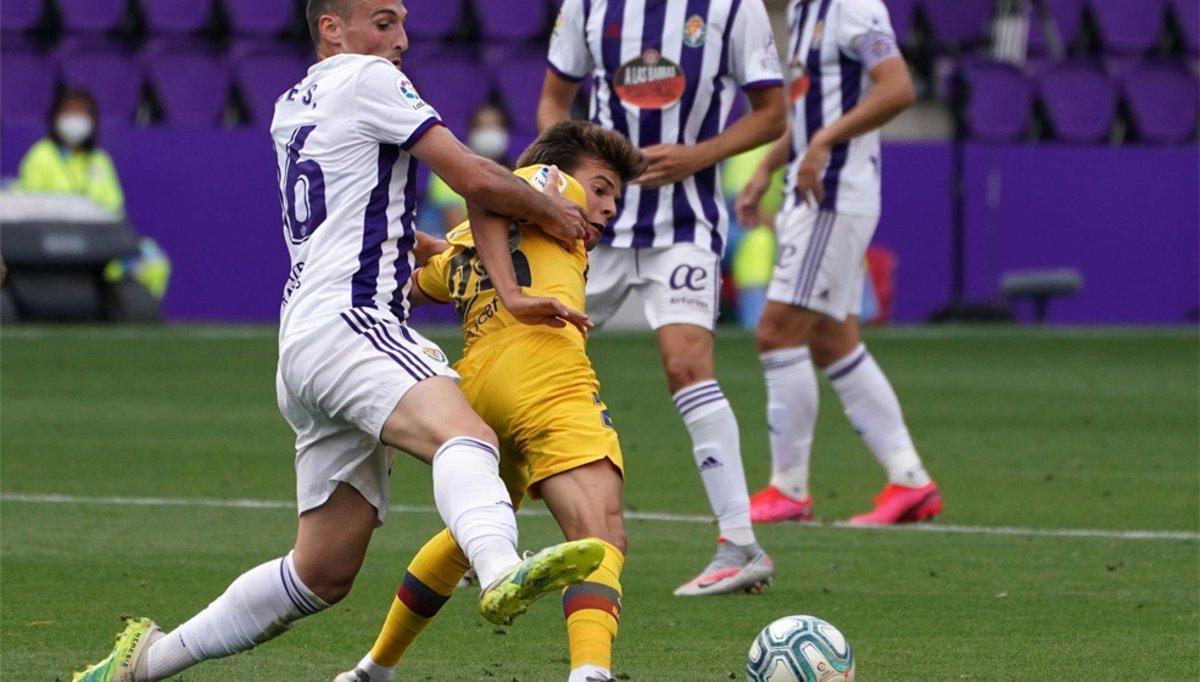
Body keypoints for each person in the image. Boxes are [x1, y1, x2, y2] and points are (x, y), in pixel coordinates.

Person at [71, 2, 609, 680]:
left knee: (322, 571)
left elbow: (367, 218)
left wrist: (477, 266)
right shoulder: (367, 78)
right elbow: (472, 176)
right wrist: (549, 209)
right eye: (383, 22)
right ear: (333, 28)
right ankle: (500, 568)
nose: (402, 40)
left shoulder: (290, 105)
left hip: (304, 338)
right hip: (355, 323)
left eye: (403, 24)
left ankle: (142, 664)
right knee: (465, 437)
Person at [337, 121, 646, 682]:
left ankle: (372, 670)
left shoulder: (466, 242)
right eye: (600, 187)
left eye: (614, 198)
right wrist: (514, 293)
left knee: (471, 533)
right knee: (601, 532)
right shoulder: (548, 183)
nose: (605, 207)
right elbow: (488, 192)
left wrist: (424, 248)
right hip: (544, 368)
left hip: (478, 387)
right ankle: (591, 674)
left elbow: (414, 282)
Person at [539, 0, 788, 596]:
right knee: (535, 352)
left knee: (687, 364)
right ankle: (487, 536)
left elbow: (774, 114)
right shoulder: (589, 8)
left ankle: (739, 545)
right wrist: (559, 180)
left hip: (686, 224)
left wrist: (701, 155)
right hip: (594, 221)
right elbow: (555, 98)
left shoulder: (732, 10)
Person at [735, 0, 942, 526]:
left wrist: (825, 142)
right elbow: (810, 112)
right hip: (818, 194)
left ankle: (789, 488)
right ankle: (909, 480)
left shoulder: (853, 6)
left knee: (776, 332)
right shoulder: (807, 11)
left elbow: (897, 88)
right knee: (833, 340)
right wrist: (765, 168)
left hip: (832, 196)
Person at [17, 88, 124, 214]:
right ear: (56, 116)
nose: (76, 118)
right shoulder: (41, 154)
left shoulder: (99, 158)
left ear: (93, 120)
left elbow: (115, 205)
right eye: (69, 111)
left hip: (94, 229)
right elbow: (28, 203)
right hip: (49, 228)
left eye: (82, 112)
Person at [427, 103, 515, 229]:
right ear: (471, 131)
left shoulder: (515, 170)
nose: (489, 132)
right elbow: (454, 227)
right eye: (482, 126)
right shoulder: (450, 168)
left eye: (495, 126)